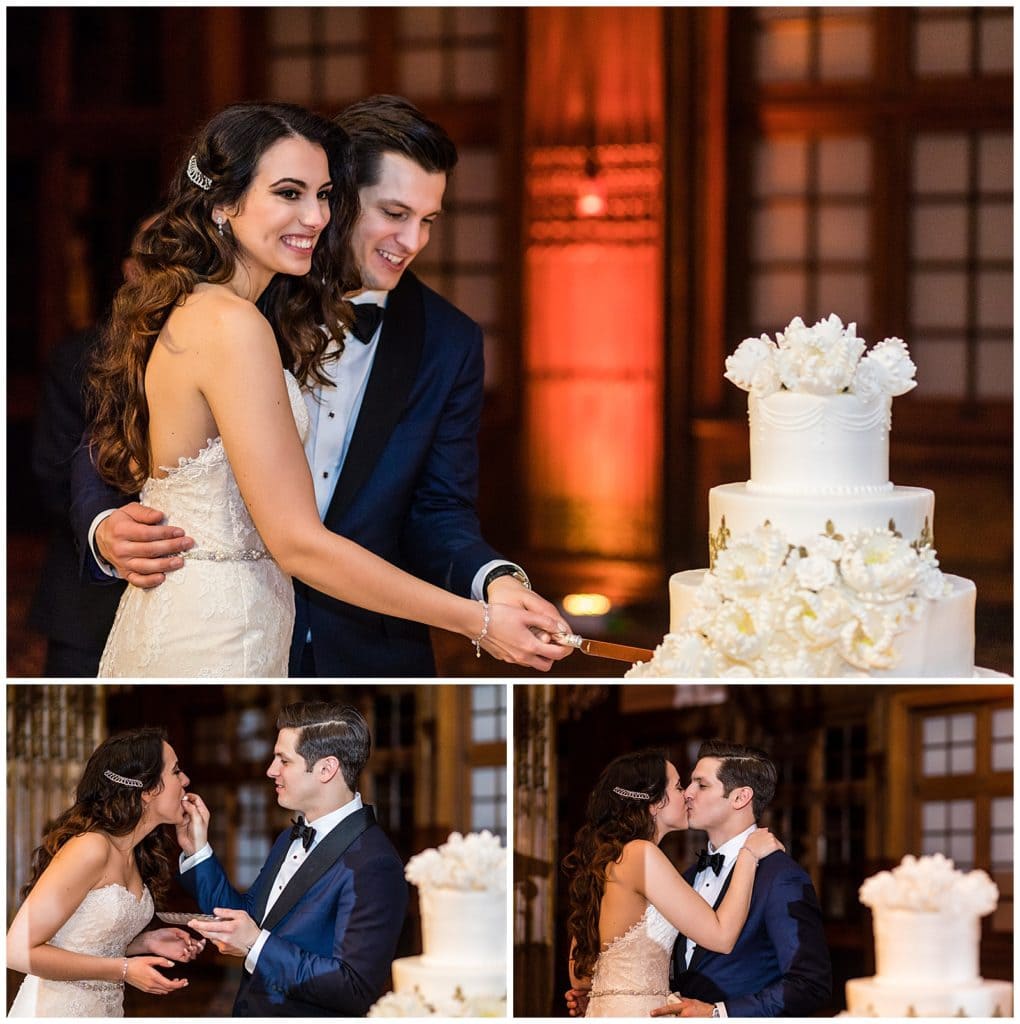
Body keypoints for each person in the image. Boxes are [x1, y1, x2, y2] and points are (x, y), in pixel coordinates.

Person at [72, 95, 571, 677]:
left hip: (356, 650)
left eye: (428, 221)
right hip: (214, 624)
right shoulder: (246, 311)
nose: (412, 241)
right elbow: (116, 424)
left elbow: (440, 510)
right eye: (393, 212)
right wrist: (103, 524)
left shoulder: (449, 342)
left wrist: (495, 583)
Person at [176, 702, 407, 1017]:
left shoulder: (374, 862)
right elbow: (247, 918)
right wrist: (198, 850)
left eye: (283, 760)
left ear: (326, 769)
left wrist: (256, 944)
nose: (271, 770)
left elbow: (353, 988)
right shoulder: (289, 837)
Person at [561, 750, 783, 1017]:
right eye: (679, 786)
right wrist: (748, 854)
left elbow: (580, 979)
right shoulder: (640, 854)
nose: (688, 794)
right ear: (655, 804)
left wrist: (603, 992)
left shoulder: (610, 861)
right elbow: (722, 937)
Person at [6, 729, 205, 1017]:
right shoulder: (91, 847)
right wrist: (123, 970)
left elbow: (82, 942)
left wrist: (146, 943)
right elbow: (16, 950)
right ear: (147, 790)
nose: (185, 780)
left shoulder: (135, 852)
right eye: (176, 772)